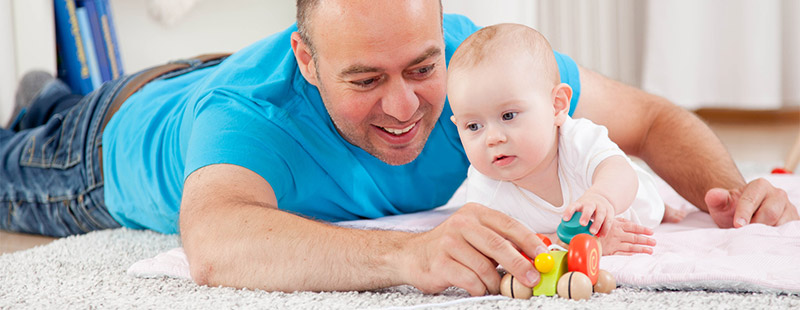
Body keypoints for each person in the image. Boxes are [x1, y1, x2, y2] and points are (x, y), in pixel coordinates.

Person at [0, 0, 796, 297]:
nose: (405, 104)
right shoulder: (246, 114)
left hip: (195, 74)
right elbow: (213, 243)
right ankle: (48, 101)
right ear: (307, 63)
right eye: (366, 80)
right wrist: (406, 259)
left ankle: (46, 91)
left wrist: (732, 190)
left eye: (421, 68)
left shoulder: (480, 65)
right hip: (108, 143)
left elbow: (651, 117)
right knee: (18, 149)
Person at [447, 24, 686, 255]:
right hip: (578, 232)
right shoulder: (483, 187)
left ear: (557, 105)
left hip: (626, 198)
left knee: (650, 206)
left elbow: (619, 172)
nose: (493, 138)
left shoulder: (576, 138)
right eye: (474, 126)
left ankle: (664, 209)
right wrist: (579, 243)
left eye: (508, 116)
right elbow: (499, 245)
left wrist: (601, 197)